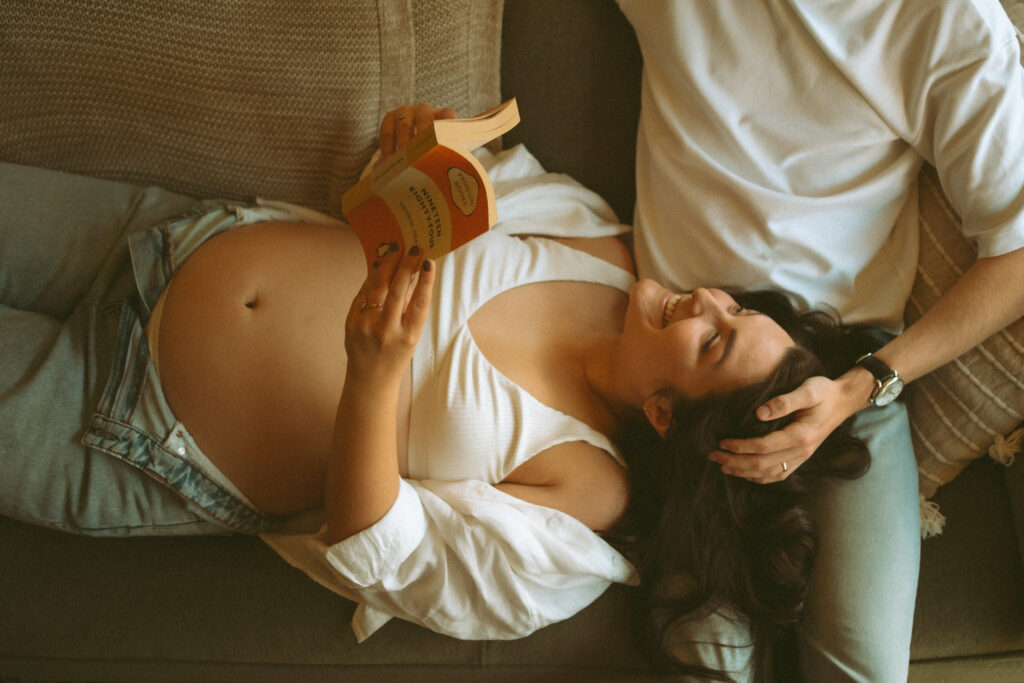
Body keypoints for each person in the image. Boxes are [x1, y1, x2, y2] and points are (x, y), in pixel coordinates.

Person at [2, 104, 870, 648]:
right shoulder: (598, 241)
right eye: (734, 310)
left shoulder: (587, 487)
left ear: (666, 416)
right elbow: (463, 192)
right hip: (167, 238)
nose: (705, 303)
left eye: (714, 343)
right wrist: (423, 151)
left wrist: (375, 379)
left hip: (130, 428)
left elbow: (388, 554)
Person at [617, 0, 1024, 680]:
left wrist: (866, 383)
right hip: (695, 381)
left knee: (861, 667)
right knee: (701, 657)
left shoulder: (948, 21)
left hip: (847, 374)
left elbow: (1016, 255)